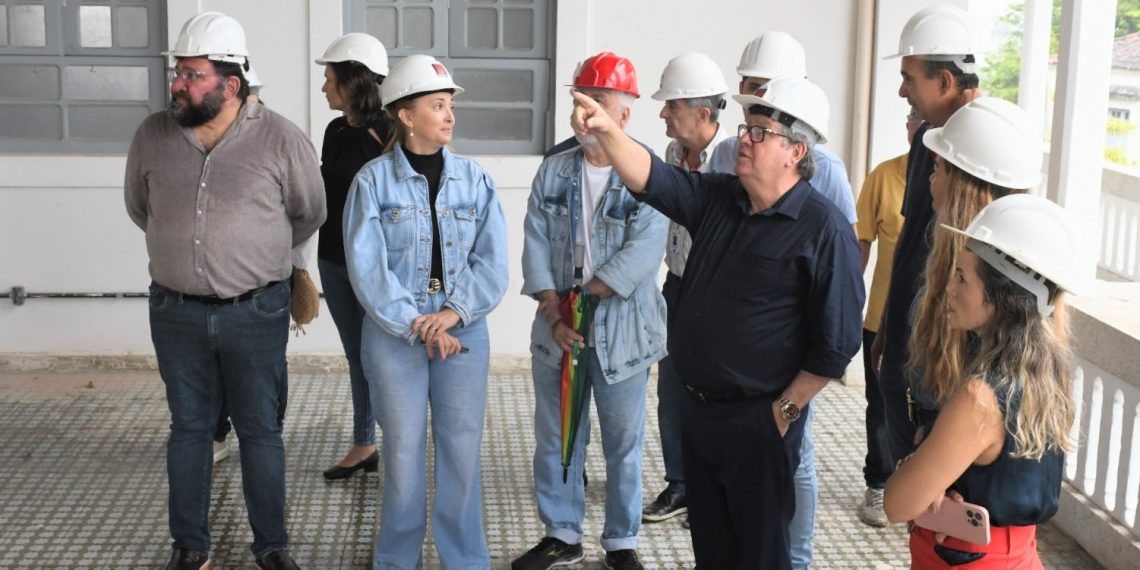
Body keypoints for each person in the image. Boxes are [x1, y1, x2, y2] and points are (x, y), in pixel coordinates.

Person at [568, 75, 863, 568]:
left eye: (759, 133)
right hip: (700, 414)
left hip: (761, 424)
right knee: (712, 548)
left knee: (762, 553)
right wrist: (604, 129)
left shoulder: (824, 229)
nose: (742, 139)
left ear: (796, 150)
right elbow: (649, 177)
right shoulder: (719, 197)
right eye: (746, 129)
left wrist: (784, 413)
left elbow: (836, 344)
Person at [124, 11, 325, 570]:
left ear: (231, 85)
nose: (178, 85)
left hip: (256, 310)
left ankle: (272, 547)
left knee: (261, 430)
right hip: (175, 311)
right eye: (177, 73)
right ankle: (190, 547)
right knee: (188, 430)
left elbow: (308, 213)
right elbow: (141, 210)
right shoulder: (152, 136)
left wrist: (252, 257)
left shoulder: (282, 138)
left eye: (191, 74)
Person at [343, 54, 509, 570]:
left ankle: (465, 560)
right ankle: (397, 560)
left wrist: (453, 314)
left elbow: (493, 261)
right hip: (397, 334)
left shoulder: (474, 180)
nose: (450, 114)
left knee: (461, 452)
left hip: (463, 331)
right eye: (438, 105)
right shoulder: (372, 182)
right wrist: (418, 323)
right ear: (406, 115)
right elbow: (366, 267)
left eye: (450, 104)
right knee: (403, 453)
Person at [706, 31, 858, 568]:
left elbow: (839, 261)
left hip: (787, 356)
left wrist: (795, 390)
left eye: (765, 90)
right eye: (748, 90)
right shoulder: (727, 153)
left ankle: (795, 557)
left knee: (795, 457)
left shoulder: (828, 170)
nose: (754, 103)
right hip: (736, 341)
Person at [514, 51, 668, 570]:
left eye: (597, 102)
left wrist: (585, 300)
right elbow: (535, 241)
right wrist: (555, 312)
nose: (584, 115)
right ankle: (562, 533)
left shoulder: (647, 174)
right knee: (558, 435)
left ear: (624, 115)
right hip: (558, 325)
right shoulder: (555, 170)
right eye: (578, 102)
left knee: (623, 441)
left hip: (622, 332)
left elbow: (645, 253)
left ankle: (621, 542)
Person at [884, 193, 1081, 568]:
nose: (948, 289)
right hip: (1019, 555)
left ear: (1002, 298)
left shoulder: (980, 397)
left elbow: (897, 504)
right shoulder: (1050, 372)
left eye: (962, 278)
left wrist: (917, 463)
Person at [874, 4, 981, 470]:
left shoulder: (983, 147)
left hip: (948, 355)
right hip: (907, 338)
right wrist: (888, 326)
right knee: (909, 473)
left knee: (936, 483)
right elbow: (909, 238)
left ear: (945, 82)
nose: (902, 90)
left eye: (909, 78)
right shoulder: (925, 143)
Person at [641, 52, 731, 527]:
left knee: (715, 391)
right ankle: (680, 484)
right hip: (676, 285)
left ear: (702, 112)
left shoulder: (737, 158)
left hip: (722, 293)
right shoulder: (672, 157)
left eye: (670, 105)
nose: (662, 114)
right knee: (672, 388)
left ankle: (714, 488)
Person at [311, 32, 393, 480]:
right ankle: (365, 443)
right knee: (357, 355)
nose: (324, 87)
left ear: (352, 80)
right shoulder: (335, 130)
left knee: (383, 355)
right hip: (333, 259)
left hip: (376, 266)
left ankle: (397, 439)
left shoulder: (390, 131)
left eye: (330, 78)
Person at [854, 108, 919, 527]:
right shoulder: (884, 175)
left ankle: (919, 489)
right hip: (881, 318)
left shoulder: (957, 183)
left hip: (934, 324)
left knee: (926, 409)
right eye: (910, 116)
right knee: (880, 405)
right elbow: (860, 243)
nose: (916, 122)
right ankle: (878, 485)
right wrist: (843, 301)